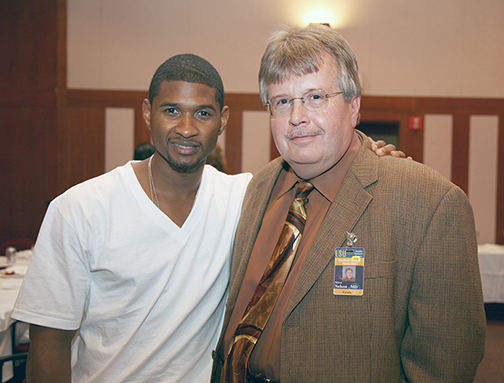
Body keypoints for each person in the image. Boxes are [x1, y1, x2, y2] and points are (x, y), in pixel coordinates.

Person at [12, 52, 403, 382]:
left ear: (223, 119)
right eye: (171, 111)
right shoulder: (80, 208)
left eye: (202, 113)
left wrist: (373, 160)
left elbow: (328, 172)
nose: (186, 128)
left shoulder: (246, 198)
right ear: (148, 114)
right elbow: (49, 343)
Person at [211, 25, 485, 383]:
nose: (296, 117)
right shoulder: (259, 187)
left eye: (315, 97)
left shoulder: (429, 204)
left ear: (353, 106)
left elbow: (445, 365)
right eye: (282, 101)